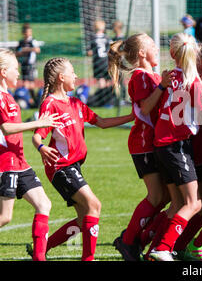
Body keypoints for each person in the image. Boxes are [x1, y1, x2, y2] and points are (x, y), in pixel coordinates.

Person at [31, 57, 134, 261]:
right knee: (94, 205)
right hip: (61, 167)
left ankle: (43, 249)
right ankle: (88, 258)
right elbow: (37, 135)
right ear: (62, 77)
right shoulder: (50, 104)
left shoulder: (75, 103)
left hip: (74, 166)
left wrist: (132, 117)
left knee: (83, 218)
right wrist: (41, 148)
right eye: (72, 72)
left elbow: (102, 122)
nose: (76, 76)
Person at [148, 33, 202, 261]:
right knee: (194, 202)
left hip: (161, 144)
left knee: (179, 203)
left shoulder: (169, 76)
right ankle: (164, 248)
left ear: (172, 54)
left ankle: (154, 248)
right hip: (176, 144)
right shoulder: (192, 80)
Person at [107, 33, 175, 261]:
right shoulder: (140, 77)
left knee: (167, 197)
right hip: (143, 143)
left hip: (154, 142)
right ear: (143, 53)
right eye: (153, 45)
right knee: (156, 196)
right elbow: (145, 108)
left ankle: (140, 237)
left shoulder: (153, 76)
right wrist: (163, 86)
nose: (157, 48)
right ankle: (127, 241)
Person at [0, 49, 62, 261]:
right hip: (5, 165)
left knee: (43, 204)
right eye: (15, 70)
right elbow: (6, 128)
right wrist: (39, 122)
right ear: (3, 72)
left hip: (20, 164)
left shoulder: (8, 96)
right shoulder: (0, 98)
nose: (18, 74)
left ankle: (39, 257)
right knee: (5, 217)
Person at [15, 24, 40, 107]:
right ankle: (31, 101)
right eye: (26, 32)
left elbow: (37, 50)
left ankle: (34, 101)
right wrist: (20, 53)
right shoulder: (21, 42)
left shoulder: (33, 41)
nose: (28, 33)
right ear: (23, 33)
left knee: (30, 85)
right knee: (25, 84)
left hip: (31, 65)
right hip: (24, 65)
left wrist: (26, 49)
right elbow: (17, 52)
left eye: (29, 32)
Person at [87, 20, 111, 105]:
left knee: (101, 81)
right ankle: (109, 99)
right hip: (107, 62)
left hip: (98, 63)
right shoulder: (107, 38)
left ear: (94, 28)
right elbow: (111, 50)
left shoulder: (92, 38)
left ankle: (102, 100)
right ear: (103, 28)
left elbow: (89, 52)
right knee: (108, 81)